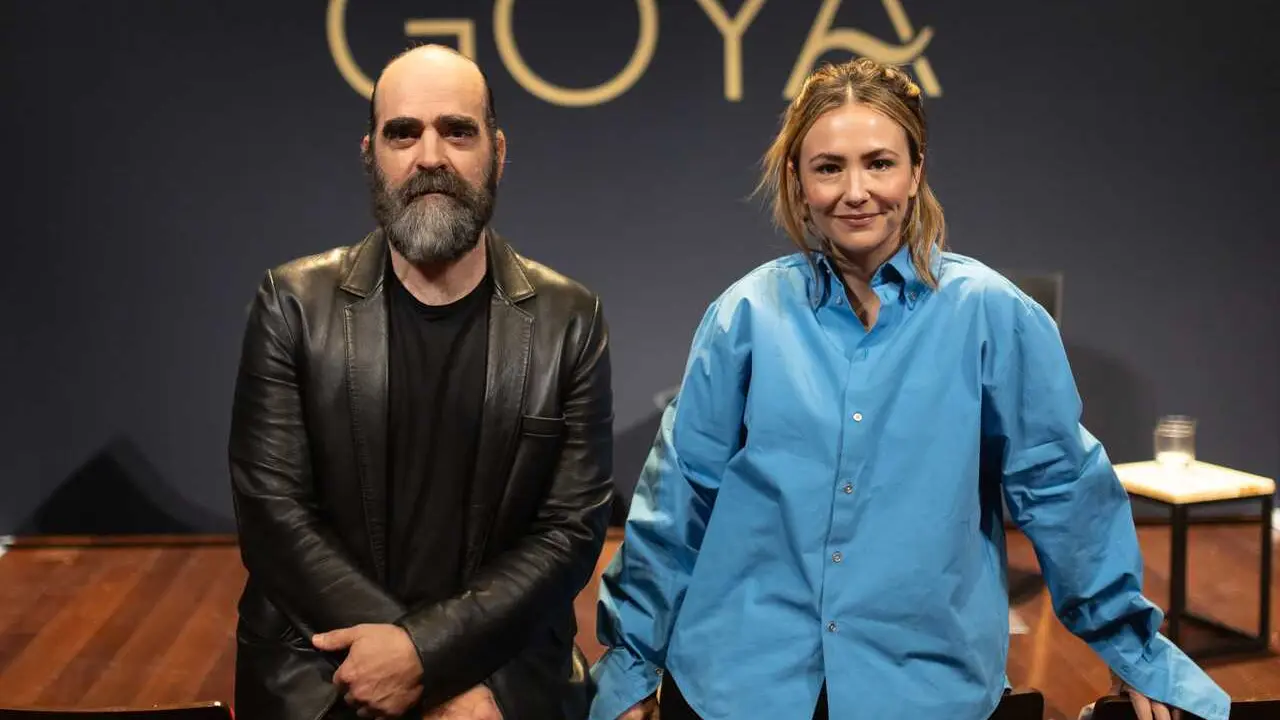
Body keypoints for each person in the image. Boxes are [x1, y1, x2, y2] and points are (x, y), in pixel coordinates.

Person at [588, 57, 1230, 720]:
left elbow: (1062, 490)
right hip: (741, 681)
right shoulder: (745, 315)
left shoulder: (991, 314)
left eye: (880, 163)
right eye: (829, 167)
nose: (856, 190)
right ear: (798, 182)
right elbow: (679, 497)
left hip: (924, 684)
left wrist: (1134, 652)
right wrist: (633, 662)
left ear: (916, 171)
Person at [228, 44, 614, 720]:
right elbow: (273, 515)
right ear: (370, 152)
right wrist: (415, 664)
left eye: (456, 130)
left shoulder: (570, 319)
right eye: (403, 132)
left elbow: (568, 532)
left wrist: (426, 660)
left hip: (503, 672)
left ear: (496, 151)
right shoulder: (290, 302)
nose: (429, 156)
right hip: (322, 666)